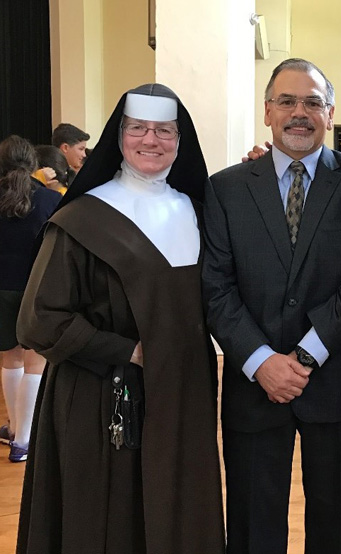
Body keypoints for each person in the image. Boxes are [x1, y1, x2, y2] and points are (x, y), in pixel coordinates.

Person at [15, 84, 225, 554]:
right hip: (101, 397)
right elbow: (38, 320)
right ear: (119, 135)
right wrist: (127, 350)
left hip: (181, 397)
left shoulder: (197, 211)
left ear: (180, 139)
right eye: (138, 129)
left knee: (177, 510)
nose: (151, 140)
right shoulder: (83, 218)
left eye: (164, 131)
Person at [203, 58, 341, 554]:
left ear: (330, 114)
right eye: (287, 101)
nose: (299, 112)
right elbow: (216, 287)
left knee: (334, 522)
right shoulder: (225, 189)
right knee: (251, 520)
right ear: (267, 112)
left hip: (337, 382)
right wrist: (262, 361)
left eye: (312, 102)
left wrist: (304, 357)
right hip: (253, 384)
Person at [0, 136, 60, 463]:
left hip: (1, 288)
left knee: (10, 360)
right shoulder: (51, 199)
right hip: (36, 288)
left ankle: (13, 429)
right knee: (35, 362)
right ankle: (23, 440)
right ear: (35, 164)